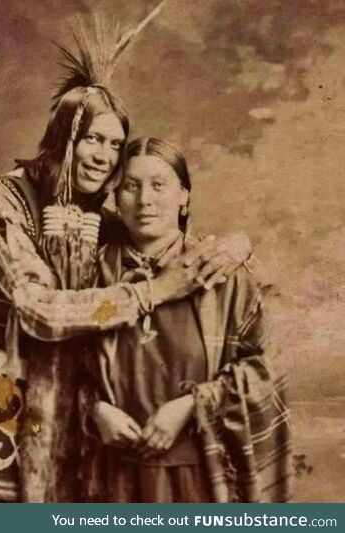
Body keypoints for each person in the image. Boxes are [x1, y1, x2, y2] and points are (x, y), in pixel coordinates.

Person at [0, 9, 253, 503]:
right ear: (63, 136)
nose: (104, 156)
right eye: (93, 138)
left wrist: (238, 245)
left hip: (68, 425)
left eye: (115, 145)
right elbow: (39, 310)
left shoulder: (101, 221)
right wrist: (152, 291)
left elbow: (177, 253)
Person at [84, 137, 292, 503]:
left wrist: (192, 405)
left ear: (184, 196)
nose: (144, 199)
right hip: (112, 479)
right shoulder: (91, 274)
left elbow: (267, 371)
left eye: (158, 185)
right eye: (131, 186)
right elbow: (64, 364)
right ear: (115, 198)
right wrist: (94, 410)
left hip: (201, 477)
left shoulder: (222, 273)